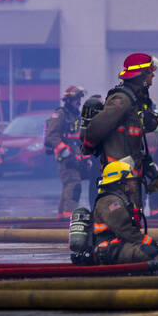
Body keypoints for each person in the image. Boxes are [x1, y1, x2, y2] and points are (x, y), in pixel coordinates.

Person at [82, 52, 158, 206]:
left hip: (129, 174)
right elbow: (95, 128)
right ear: (142, 75)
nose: (152, 78)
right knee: (122, 220)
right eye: (150, 73)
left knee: (133, 218)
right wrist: (87, 146)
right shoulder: (122, 100)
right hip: (119, 177)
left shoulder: (135, 100)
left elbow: (129, 134)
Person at [91, 159, 158, 264]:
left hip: (123, 245)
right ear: (121, 182)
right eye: (131, 180)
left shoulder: (122, 199)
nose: (134, 183)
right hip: (109, 250)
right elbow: (125, 230)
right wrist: (148, 242)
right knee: (148, 252)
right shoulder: (110, 201)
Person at [45, 85, 87, 218]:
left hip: (75, 158)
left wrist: (84, 158)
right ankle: (70, 217)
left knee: (68, 187)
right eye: (76, 99)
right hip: (66, 158)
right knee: (74, 186)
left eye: (80, 99)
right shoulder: (61, 114)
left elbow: (78, 139)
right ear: (68, 100)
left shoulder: (75, 116)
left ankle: (62, 216)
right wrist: (63, 151)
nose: (79, 102)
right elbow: (51, 135)